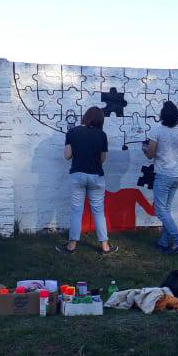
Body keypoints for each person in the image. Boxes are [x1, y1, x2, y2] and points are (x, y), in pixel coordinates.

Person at [60, 106, 117, 254]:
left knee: (76, 211)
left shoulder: (72, 132)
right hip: (96, 176)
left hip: (77, 175)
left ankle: (71, 246)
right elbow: (102, 159)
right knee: (98, 211)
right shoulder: (102, 135)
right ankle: (105, 246)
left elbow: (67, 156)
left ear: (86, 116)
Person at [143, 101, 178, 254]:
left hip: (163, 175)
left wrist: (144, 147)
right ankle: (163, 242)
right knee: (166, 210)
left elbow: (150, 154)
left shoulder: (157, 131)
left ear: (162, 115)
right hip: (175, 175)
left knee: (160, 211)